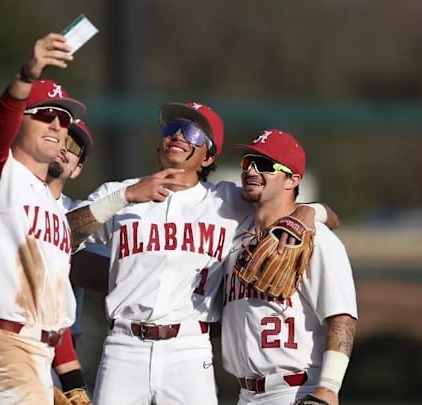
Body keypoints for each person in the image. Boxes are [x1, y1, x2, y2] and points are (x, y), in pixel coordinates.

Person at [65, 102, 339, 405]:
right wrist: (124, 198)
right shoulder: (119, 193)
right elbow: (59, 237)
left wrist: (308, 211)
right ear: (159, 145)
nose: (180, 135)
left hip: (189, 349)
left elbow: (312, 210)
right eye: (172, 128)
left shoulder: (227, 202)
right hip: (123, 345)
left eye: (194, 132)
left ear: (208, 156)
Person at [0, 32, 86, 405]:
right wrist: (25, 78)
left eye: (65, 119)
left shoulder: (55, 211)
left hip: (38, 354)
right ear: (19, 121)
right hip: (1, 344)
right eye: (45, 114)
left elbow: (53, 310)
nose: (58, 125)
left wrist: (74, 384)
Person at [220, 129, 358, 405]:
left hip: (295, 390)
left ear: (293, 179)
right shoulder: (236, 237)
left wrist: (329, 388)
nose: (251, 171)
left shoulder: (316, 238)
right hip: (245, 394)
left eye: (265, 165)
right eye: (248, 162)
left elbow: (341, 317)